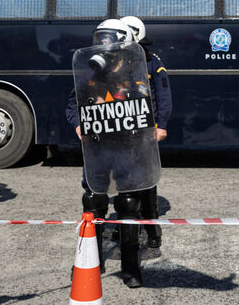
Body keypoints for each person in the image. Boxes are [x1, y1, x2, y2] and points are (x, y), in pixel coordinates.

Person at [66, 18, 153, 288]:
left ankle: (130, 268)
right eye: (100, 39)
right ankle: (90, 261)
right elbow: (72, 105)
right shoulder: (89, 76)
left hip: (127, 150)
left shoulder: (135, 76)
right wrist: (78, 124)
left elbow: (146, 113)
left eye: (109, 39)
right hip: (98, 150)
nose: (103, 45)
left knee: (128, 205)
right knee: (93, 201)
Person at [119, 16, 171, 250]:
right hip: (120, 129)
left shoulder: (152, 62)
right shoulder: (116, 61)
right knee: (123, 179)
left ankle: (152, 229)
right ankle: (126, 226)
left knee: (146, 181)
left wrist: (161, 126)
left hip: (144, 129)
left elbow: (164, 97)